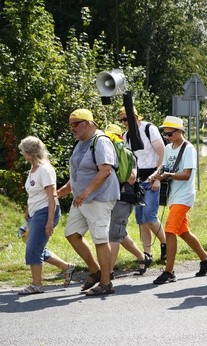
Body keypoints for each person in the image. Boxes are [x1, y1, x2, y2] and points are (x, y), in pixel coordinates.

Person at [57, 109, 120, 295]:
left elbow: (105, 170)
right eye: (70, 124)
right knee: (71, 234)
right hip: (82, 198)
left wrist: (86, 191)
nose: (72, 128)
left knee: (100, 239)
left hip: (99, 198)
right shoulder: (81, 143)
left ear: (88, 123)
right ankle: (95, 270)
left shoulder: (100, 141)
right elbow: (79, 170)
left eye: (75, 123)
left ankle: (106, 283)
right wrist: (67, 188)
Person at [150, 116, 207, 284]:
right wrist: (154, 175)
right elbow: (163, 167)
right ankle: (206, 259)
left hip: (184, 196)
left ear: (179, 131)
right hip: (173, 195)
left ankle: (169, 271)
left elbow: (186, 175)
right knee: (182, 231)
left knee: (170, 230)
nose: (167, 137)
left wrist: (168, 175)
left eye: (170, 134)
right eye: (165, 134)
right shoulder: (169, 148)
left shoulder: (189, 149)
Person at [17, 136, 75, 295]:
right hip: (35, 213)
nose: (22, 155)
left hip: (45, 212)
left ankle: (37, 285)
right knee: (36, 246)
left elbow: (52, 197)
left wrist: (50, 221)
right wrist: (27, 214)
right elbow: (33, 194)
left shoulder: (45, 169)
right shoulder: (33, 168)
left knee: (32, 249)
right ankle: (66, 267)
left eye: (23, 152)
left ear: (29, 153)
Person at [119, 107, 167, 262]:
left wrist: (158, 178)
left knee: (150, 216)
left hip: (152, 177)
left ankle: (166, 244)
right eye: (122, 120)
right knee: (141, 219)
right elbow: (129, 159)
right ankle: (148, 253)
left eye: (127, 119)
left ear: (136, 116)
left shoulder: (148, 128)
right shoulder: (126, 136)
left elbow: (162, 152)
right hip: (137, 181)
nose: (125, 123)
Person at [104, 124, 152, 277]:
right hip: (109, 198)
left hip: (123, 198)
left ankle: (108, 271)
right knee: (120, 233)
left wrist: (117, 168)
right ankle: (142, 258)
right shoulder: (104, 155)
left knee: (113, 235)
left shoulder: (127, 155)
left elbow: (132, 178)